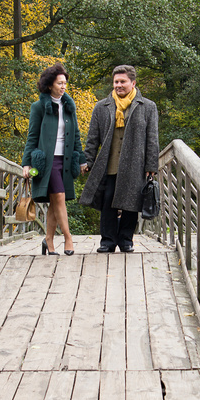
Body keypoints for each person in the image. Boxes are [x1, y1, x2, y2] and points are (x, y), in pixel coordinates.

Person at [80, 64, 159, 253]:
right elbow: (93, 138)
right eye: (116, 82)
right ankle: (107, 241)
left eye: (122, 81)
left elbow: (152, 138)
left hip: (135, 163)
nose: (118, 85)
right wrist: (88, 160)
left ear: (133, 83)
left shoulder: (147, 107)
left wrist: (151, 164)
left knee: (130, 203)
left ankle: (125, 240)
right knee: (108, 201)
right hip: (109, 163)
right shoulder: (102, 107)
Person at [22, 62, 87, 255]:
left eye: (65, 83)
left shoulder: (69, 107)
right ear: (50, 84)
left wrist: (81, 159)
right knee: (59, 196)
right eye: (59, 83)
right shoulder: (38, 107)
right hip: (47, 162)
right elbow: (32, 136)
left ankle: (48, 240)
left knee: (55, 202)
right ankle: (68, 238)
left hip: (65, 160)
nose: (63, 86)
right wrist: (26, 162)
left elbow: (75, 134)